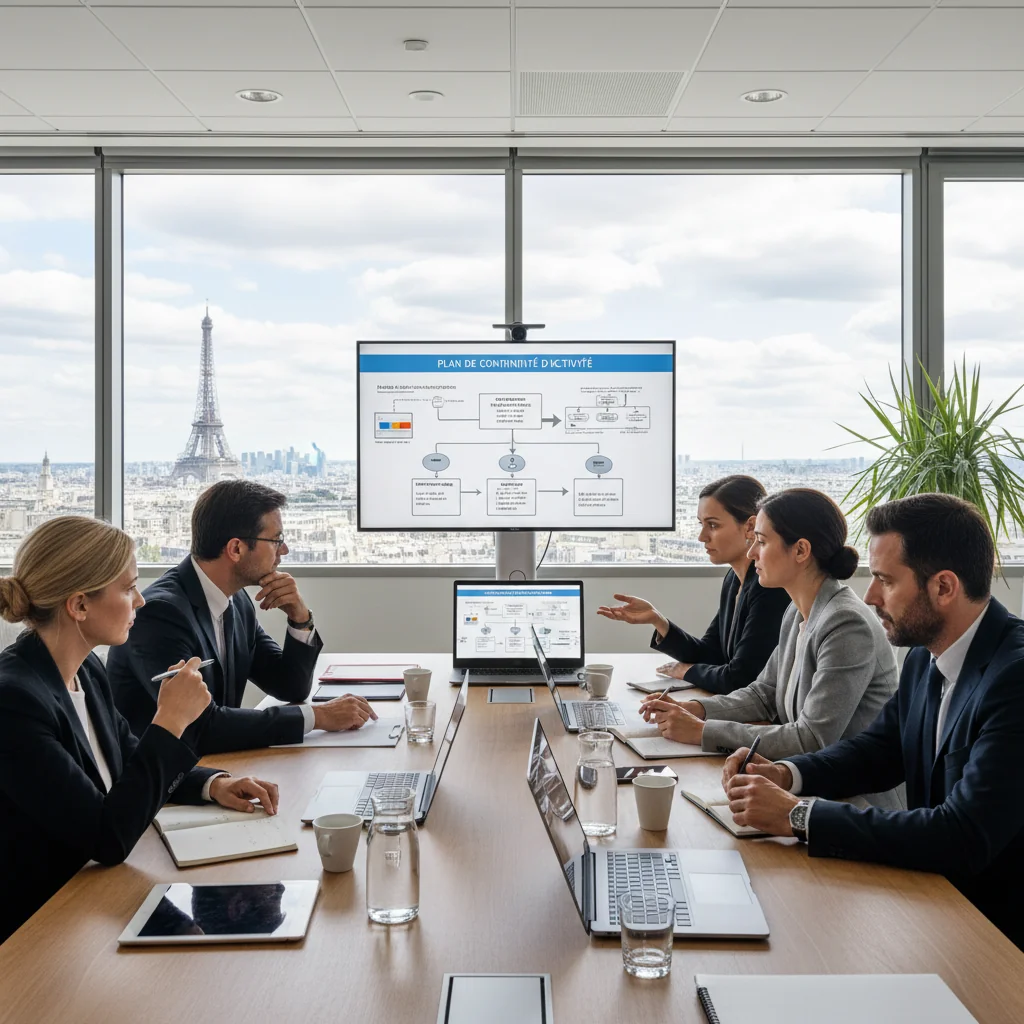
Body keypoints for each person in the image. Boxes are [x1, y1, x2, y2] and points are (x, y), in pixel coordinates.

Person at [721, 493, 1024, 951]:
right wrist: (786, 773)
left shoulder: (1014, 678)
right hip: (935, 904)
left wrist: (798, 816)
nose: (870, 596)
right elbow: (879, 750)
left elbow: (961, 835)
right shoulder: (927, 656)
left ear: (944, 587)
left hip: (994, 935)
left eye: (885, 580)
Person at [0, 516, 280, 944]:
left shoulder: (85, 670)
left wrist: (212, 785)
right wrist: (171, 721)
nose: (141, 602)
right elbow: (106, 838)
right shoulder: (14, 701)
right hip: (41, 926)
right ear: (79, 606)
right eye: (128, 588)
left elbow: (129, 758)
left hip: (93, 900)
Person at [640, 489, 902, 810]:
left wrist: (703, 731)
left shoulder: (846, 623)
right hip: (806, 791)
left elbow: (811, 739)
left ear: (801, 550)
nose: (751, 553)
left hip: (854, 805)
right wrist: (697, 709)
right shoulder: (797, 611)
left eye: (761, 542)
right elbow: (763, 695)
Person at [108, 480, 376, 755]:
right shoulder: (161, 614)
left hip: (217, 768)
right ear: (236, 549)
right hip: (166, 786)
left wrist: (300, 617)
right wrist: (318, 717)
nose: (283, 551)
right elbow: (200, 725)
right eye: (276, 540)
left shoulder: (235, 601)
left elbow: (290, 686)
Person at [596, 475, 790, 694]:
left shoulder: (769, 588)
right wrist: (658, 620)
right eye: (701, 525)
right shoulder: (733, 579)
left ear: (750, 527)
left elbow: (740, 678)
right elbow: (711, 654)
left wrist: (686, 672)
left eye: (713, 525)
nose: (701, 537)